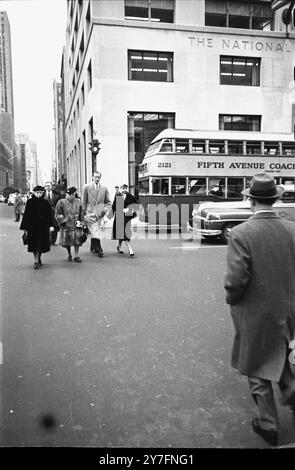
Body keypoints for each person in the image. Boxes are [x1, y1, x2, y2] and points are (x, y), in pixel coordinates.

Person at [224, 173, 295, 447]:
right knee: (278, 353)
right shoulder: (292, 229)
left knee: (256, 366)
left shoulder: (241, 233)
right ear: (274, 200)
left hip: (255, 311)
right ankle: (291, 392)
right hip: (288, 308)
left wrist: (232, 299)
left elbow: (235, 281)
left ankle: (268, 425)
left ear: (251, 200)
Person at [20, 185, 55, 269]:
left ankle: (39, 257)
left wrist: (51, 225)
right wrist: (24, 227)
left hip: (43, 227)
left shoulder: (46, 202)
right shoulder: (30, 202)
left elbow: (50, 215)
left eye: (40, 193)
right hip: (33, 227)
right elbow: (26, 215)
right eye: (37, 193)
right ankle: (35, 260)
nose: (39, 194)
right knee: (34, 244)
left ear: (43, 193)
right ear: (34, 193)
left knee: (42, 245)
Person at [81, 171, 111, 257]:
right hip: (90, 213)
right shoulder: (86, 187)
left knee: (95, 230)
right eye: (96, 177)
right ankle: (99, 248)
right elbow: (84, 201)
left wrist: (105, 211)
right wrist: (83, 214)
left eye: (99, 177)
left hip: (100, 214)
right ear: (92, 178)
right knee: (95, 230)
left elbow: (108, 202)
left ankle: (93, 246)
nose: (97, 179)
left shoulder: (104, 188)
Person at [55, 186, 84, 263]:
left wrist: (82, 222)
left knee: (77, 241)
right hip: (66, 226)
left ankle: (76, 255)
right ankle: (69, 254)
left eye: (73, 194)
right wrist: (63, 221)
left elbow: (82, 212)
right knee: (67, 242)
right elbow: (58, 213)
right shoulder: (61, 202)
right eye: (70, 194)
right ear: (66, 194)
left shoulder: (78, 202)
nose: (72, 196)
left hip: (77, 225)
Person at [112, 184, 137, 257]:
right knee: (123, 233)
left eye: (126, 188)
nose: (125, 189)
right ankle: (130, 250)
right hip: (119, 217)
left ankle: (119, 246)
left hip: (127, 217)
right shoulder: (118, 196)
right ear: (121, 188)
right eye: (123, 188)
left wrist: (130, 209)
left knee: (123, 233)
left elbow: (135, 204)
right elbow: (114, 206)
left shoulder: (130, 196)